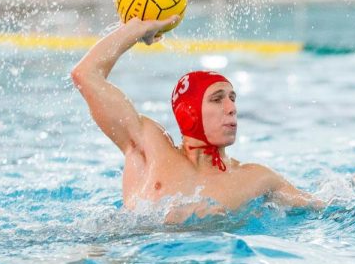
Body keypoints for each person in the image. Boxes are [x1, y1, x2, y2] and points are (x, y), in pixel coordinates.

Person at [71, 17, 319, 222]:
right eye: (217, 99)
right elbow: (85, 74)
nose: (231, 107)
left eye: (233, 98)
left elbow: (325, 206)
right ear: (189, 111)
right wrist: (135, 30)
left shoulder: (256, 179)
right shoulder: (148, 147)